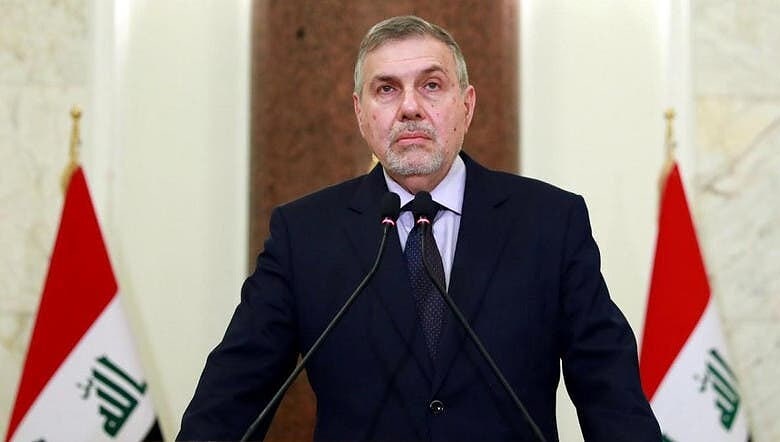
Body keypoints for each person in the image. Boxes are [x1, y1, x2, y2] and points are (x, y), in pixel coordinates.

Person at [177, 15, 661, 441]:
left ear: (467, 105)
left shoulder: (550, 222)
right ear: (361, 113)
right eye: (386, 89)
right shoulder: (304, 235)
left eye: (431, 85)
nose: (409, 107)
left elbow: (609, 393)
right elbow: (233, 396)